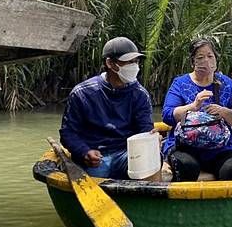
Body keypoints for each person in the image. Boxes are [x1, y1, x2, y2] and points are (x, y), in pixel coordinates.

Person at [59, 36, 161, 180]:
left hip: (126, 155)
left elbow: (144, 129)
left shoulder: (140, 94)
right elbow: (68, 133)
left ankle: (150, 199)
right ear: (110, 63)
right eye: (128, 62)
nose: (134, 66)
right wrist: (84, 152)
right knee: (94, 174)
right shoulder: (82, 93)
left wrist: (150, 139)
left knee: (152, 159)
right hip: (96, 157)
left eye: (136, 62)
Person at [162, 38, 232, 181]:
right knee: (187, 166)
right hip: (185, 146)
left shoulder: (227, 83)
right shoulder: (180, 83)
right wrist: (193, 106)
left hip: (220, 147)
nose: (206, 60)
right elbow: (167, 115)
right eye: (200, 57)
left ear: (216, 59)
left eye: (210, 56)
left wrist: (223, 111)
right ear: (193, 61)